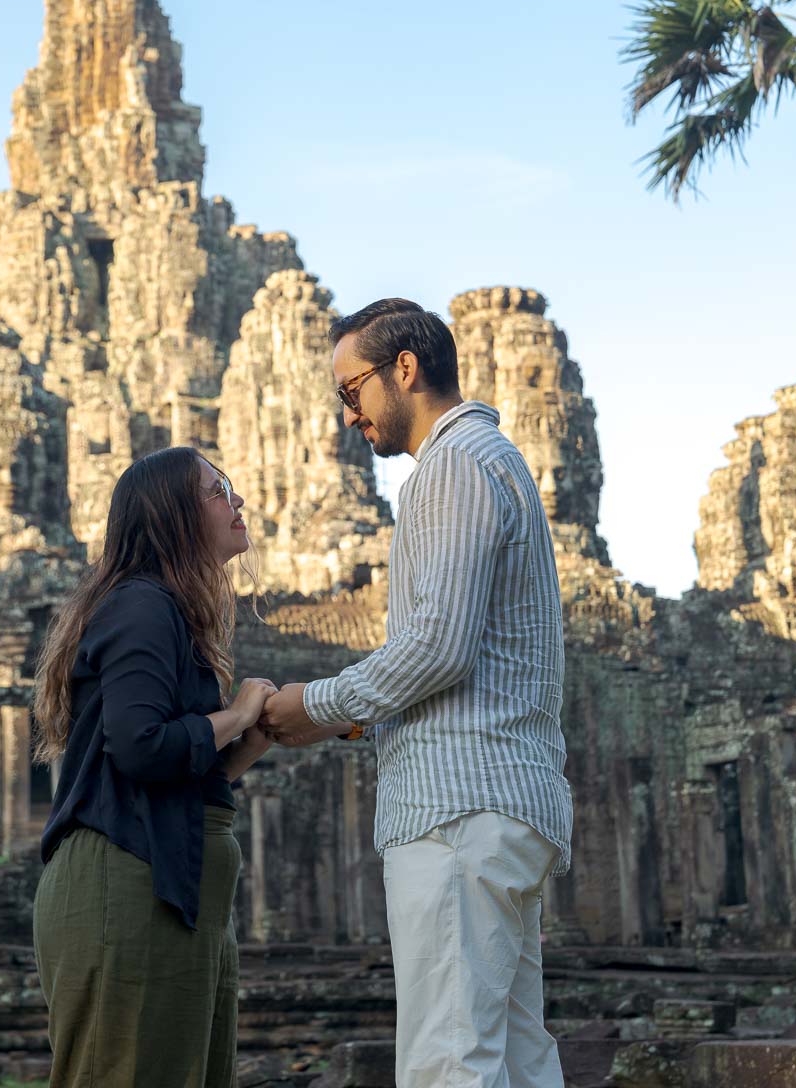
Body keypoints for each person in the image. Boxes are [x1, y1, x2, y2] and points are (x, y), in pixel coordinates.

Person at [258, 297, 574, 1088]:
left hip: (457, 811)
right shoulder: (488, 459)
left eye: (351, 389)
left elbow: (438, 646)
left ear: (405, 369)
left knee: (449, 1061)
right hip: (498, 801)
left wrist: (319, 708)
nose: (348, 415)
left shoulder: (454, 465)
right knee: (514, 1056)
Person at [31, 445, 277, 1088]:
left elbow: (174, 779)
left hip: (169, 888)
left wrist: (248, 741)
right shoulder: (142, 604)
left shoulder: (168, 612)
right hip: (127, 888)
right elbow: (141, 747)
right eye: (219, 488)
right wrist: (241, 709)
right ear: (174, 514)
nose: (237, 499)